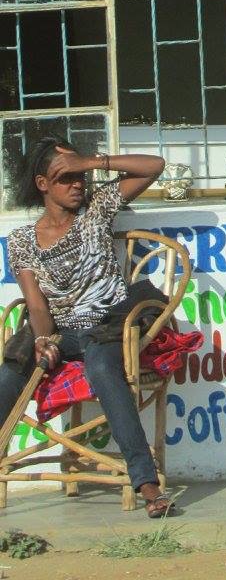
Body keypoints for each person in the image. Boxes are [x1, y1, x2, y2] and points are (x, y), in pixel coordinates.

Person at [0, 136, 175, 518]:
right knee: (8, 374)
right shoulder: (21, 241)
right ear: (43, 184)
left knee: (101, 369)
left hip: (108, 325)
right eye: (66, 177)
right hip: (59, 330)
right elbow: (35, 304)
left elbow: (154, 165)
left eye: (80, 176)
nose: (77, 183)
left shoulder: (97, 210)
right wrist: (44, 339)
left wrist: (91, 162)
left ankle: (146, 483)